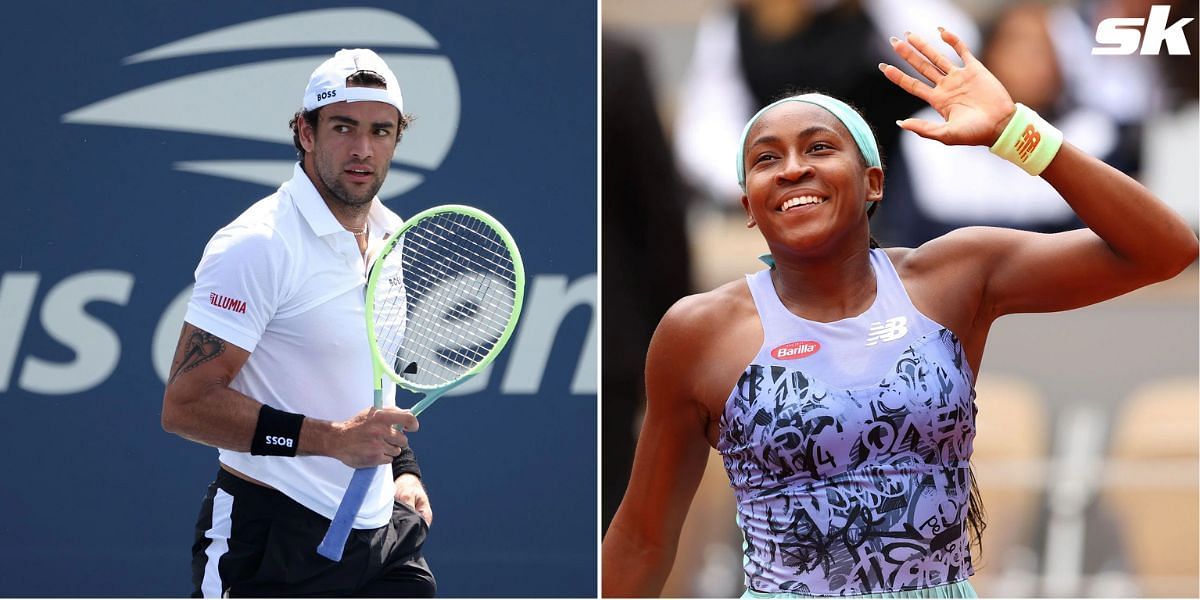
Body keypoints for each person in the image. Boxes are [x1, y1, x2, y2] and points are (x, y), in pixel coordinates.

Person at [601, 28, 1197, 598]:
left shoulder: (954, 277)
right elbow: (643, 539)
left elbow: (1165, 250)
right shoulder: (698, 331)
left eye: (818, 147)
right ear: (749, 206)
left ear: (874, 183)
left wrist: (1016, 131)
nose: (792, 169)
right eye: (765, 159)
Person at [162, 48, 436, 597]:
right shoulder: (257, 245)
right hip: (270, 542)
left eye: (381, 131)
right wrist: (331, 441)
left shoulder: (391, 234)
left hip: (380, 537)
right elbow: (186, 405)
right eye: (343, 127)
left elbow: (369, 374)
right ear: (305, 133)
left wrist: (404, 468)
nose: (363, 149)